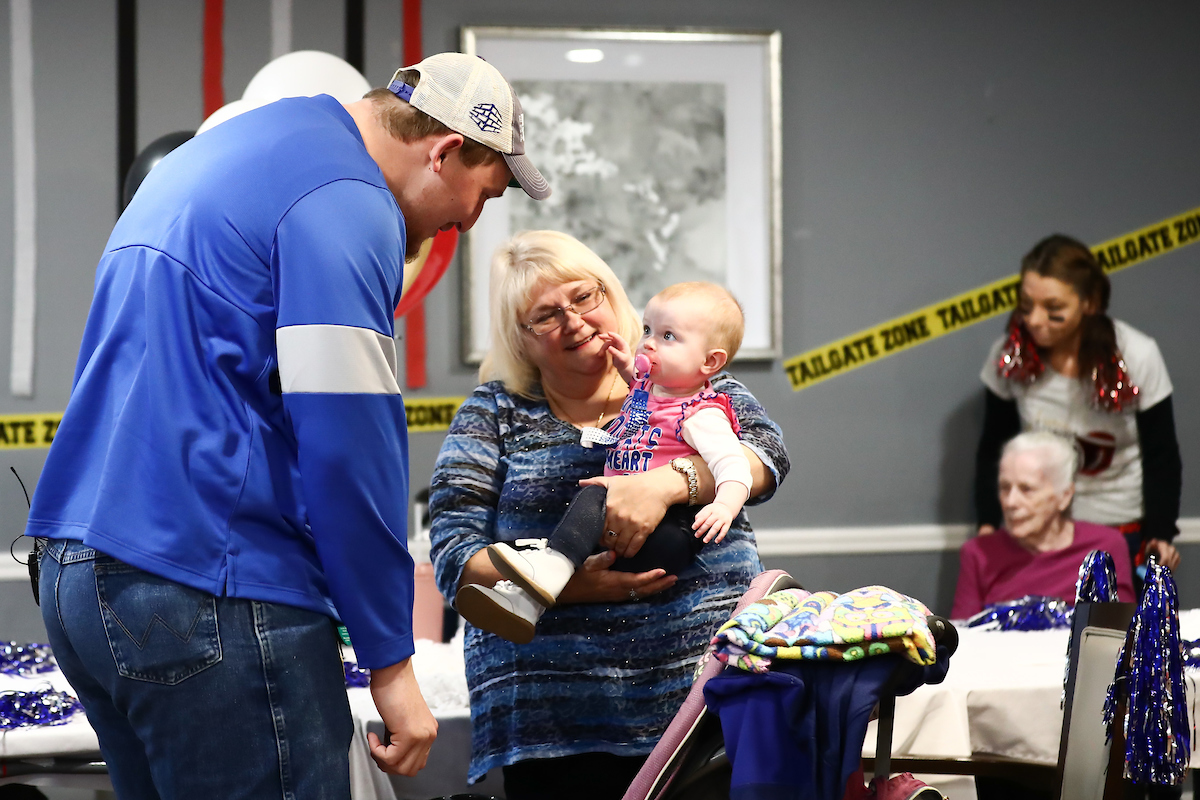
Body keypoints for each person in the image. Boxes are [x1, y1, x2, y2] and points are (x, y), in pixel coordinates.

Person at [25, 52, 548, 798]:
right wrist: (391, 662)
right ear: (444, 152)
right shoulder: (346, 195)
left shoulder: (221, 156)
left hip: (78, 574)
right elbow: (348, 440)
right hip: (208, 579)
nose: (466, 222)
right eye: (483, 195)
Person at [428, 230, 789, 799]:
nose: (573, 321)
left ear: (611, 294)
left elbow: (767, 458)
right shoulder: (494, 414)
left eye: (583, 297)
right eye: (544, 316)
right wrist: (565, 585)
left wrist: (665, 484)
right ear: (518, 339)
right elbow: (453, 551)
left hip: (703, 696)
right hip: (554, 712)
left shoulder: (690, 385)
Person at [457, 281, 754, 643]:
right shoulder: (655, 391)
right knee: (593, 501)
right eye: (648, 330)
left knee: (594, 495)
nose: (648, 343)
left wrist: (724, 504)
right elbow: (641, 397)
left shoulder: (701, 415)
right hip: (617, 526)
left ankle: (548, 564)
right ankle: (529, 598)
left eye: (668, 336)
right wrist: (629, 368)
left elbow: (735, 464)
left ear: (710, 362)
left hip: (670, 530)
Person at [974, 234, 1182, 581]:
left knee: (1111, 633)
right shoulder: (1009, 358)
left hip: (1120, 531)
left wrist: (1161, 532)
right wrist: (986, 523)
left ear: (1089, 303)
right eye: (1026, 306)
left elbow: (1162, 454)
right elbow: (993, 448)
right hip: (1039, 531)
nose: (1036, 321)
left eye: (1054, 310)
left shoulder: (1137, 354)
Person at [954, 432, 1134, 618]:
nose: (1010, 502)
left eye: (1026, 489)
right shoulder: (978, 554)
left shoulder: (1104, 548)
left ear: (1064, 496)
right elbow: (962, 639)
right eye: (1005, 488)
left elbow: (1122, 632)